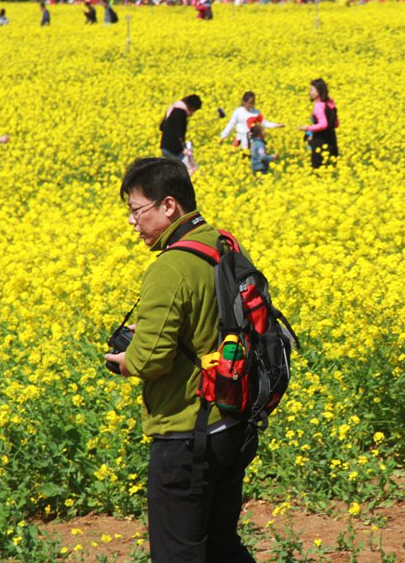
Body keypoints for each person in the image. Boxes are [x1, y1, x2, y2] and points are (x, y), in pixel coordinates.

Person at [104, 158, 259, 563]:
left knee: (179, 553)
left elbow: (151, 361)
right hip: (231, 422)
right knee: (221, 546)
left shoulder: (170, 267)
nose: (132, 223)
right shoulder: (220, 243)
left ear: (168, 206)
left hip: (186, 434)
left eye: (137, 211)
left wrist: (126, 360)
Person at [298, 78, 339, 169]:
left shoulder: (319, 106)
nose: (310, 92)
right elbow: (336, 123)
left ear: (319, 91)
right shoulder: (331, 103)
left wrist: (308, 128)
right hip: (332, 139)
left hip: (320, 141)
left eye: (312, 90)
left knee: (318, 168)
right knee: (332, 166)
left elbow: (323, 124)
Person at [160, 95, 202, 161]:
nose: (192, 114)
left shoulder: (173, 108)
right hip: (173, 149)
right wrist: (184, 147)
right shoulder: (181, 113)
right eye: (194, 111)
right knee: (185, 167)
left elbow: (161, 127)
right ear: (192, 107)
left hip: (165, 147)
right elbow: (179, 133)